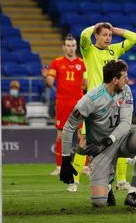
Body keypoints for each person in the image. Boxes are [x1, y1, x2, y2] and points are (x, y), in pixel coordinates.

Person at [59, 60, 136, 209]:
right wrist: (65, 159)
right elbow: (69, 126)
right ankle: (108, 187)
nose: (127, 80)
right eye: (124, 77)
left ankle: (132, 193)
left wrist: (110, 140)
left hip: (121, 140)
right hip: (99, 149)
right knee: (99, 202)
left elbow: (125, 123)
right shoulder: (90, 100)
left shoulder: (126, 90)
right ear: (115, 80)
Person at [80, 22, 136, 194]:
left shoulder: (114, 50)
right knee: (97, 148)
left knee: (118, 140)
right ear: (96, 36)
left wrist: (115, 29)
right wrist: (95, 26)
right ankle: (104, 185)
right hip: (95, 106)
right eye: (104, 34)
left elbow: (135, 38)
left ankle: (120, 181)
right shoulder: (89, 51)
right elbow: (84, 35)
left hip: (114, 103)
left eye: (109, 35)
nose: (108, 38)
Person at [42, 34, 87, 180]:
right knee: (61, 136)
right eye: (68, 45)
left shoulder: (82, 63)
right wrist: (46, 76)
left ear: (76, 46)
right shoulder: (57, 63)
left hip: (79, 104)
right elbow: (50, 83)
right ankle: (60, 166)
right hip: (62, 103)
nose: (71, 48)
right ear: (64, 47)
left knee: (82, 135)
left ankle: (84, 166)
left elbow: (86, 84)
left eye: (73, 45)